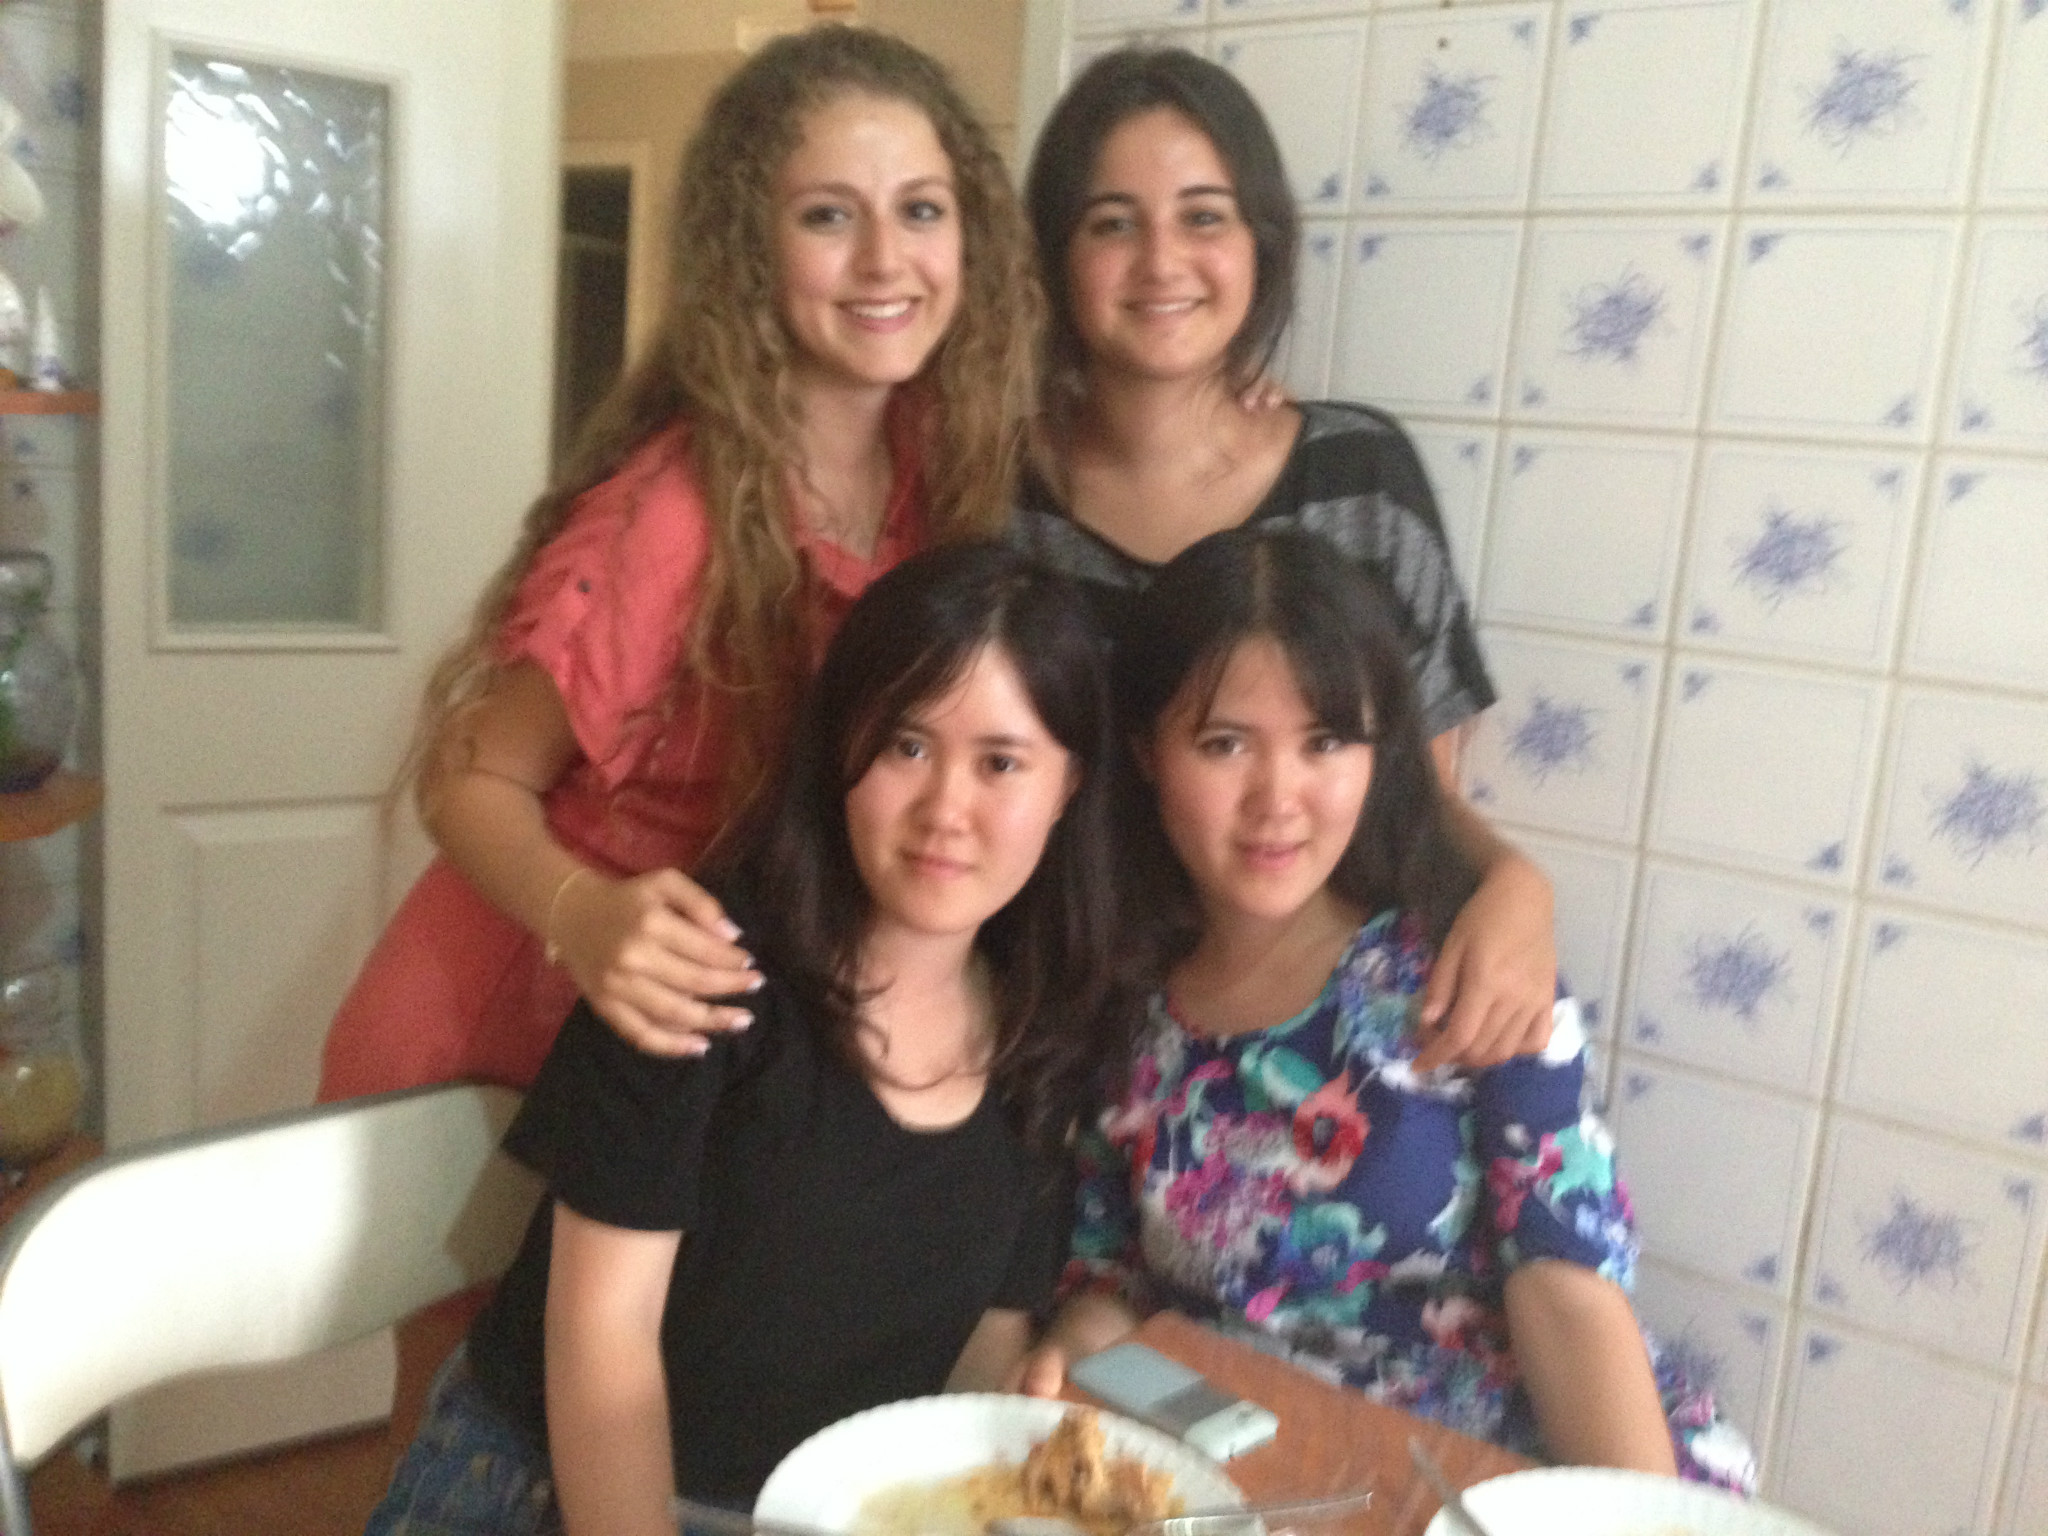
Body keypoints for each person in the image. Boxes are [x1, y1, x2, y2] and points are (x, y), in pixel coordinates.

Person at [319, 26, 1041, 1098]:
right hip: (498, 1030)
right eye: (829, 215)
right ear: (751, 251)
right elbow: (468, 781)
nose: (886, 260)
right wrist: (584, 917)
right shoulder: (678, 514)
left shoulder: (935, 473)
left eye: (922, 210)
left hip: (679, 1043)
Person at [363, 544, 1125, 1536]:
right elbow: (602, 1341)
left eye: (1000, 763)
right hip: (547, 1492)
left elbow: (984, 1342)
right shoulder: (697, 966)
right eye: (905, 745)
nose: (946, 809)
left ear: (1068, 786)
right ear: (841, 748)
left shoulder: (1045, 1029)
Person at [1018, 528, 1755, 1492]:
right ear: (1148, 753)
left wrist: (1636, 1520)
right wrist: (1070, 1356)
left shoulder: (1464, 968)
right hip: (1266, 1478)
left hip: (1507, 1478)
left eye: (1325, 743)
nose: (1278, 799)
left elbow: (1567, 1292)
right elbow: (1114, 1282)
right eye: (1224, 744)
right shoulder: (1125, 1005)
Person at [1011, 46, 1554, 1074]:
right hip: (1064, 1033)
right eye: (1112, 223)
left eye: (1204, 217)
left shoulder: (1359, 475)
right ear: (1052, 255)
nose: (1161, 261)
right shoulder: (993, 502)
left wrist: (1516, 885)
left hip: (1313, 1042)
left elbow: (1417, 794)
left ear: (1260, 243)